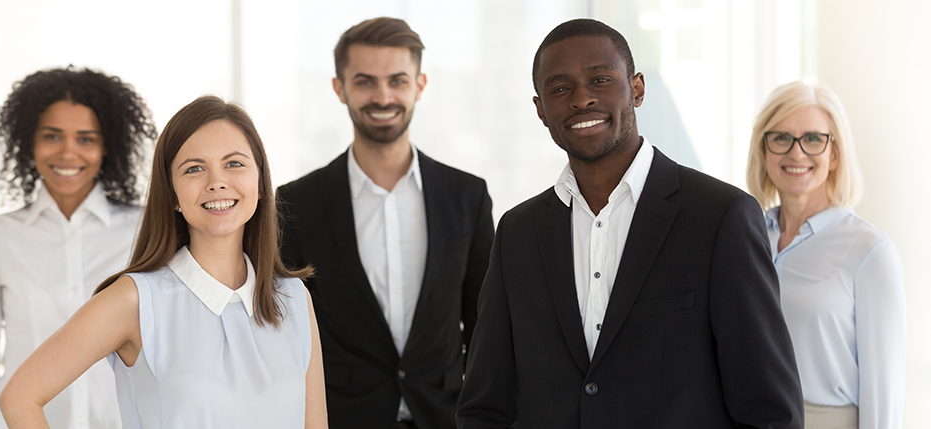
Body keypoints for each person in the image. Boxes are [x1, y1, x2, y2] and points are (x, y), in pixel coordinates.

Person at [456, 18, 804, 428]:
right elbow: (485, 404)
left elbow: (769, 410)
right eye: (560, 88)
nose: (581, 99)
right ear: (540, 110)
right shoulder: (517, 233)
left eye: (600, 80)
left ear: (636, 89)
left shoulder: (720, 218)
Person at [0, 96, 328, 428]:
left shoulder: (294, 298)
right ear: (171, 194)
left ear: (260, 183)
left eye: (235, 163)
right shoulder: (136, 300)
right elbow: (20, 397)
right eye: (194, 168)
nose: (217, 182)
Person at [277, 17, 494, 429]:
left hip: (447, 418)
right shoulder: (295, 204)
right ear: (339, 88)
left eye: (397, 80)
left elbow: (487, 326)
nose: (383, 96)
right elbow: (285, 337)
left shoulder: (467, 196)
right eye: (365, 82)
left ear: (420, 85)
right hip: (340, 419)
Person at [0, 67, 156, 429]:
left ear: (107, 146)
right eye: (52, 136)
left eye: (86, 139)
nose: (68, 152)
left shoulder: (144, 231)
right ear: (29, 141)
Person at [745, 81, 905, 429]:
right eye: (781, 137)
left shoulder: (870, 252)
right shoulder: (746, 236)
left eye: (814, 139)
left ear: (835, 155)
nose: (796, 153)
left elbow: (884, 392)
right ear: (764, 149)